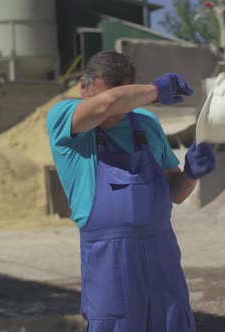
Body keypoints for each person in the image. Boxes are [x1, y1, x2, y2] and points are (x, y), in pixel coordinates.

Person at [46, 51, 215, 332]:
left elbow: (176, 193)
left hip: (163, 259)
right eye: (108, 100)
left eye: (124, 104)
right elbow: (109, 103)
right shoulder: (65, 119)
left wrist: (191, 173)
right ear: (82, 88)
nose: (115, 112)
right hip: (110, 266)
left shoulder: (146, 123)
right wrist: (155, 91)